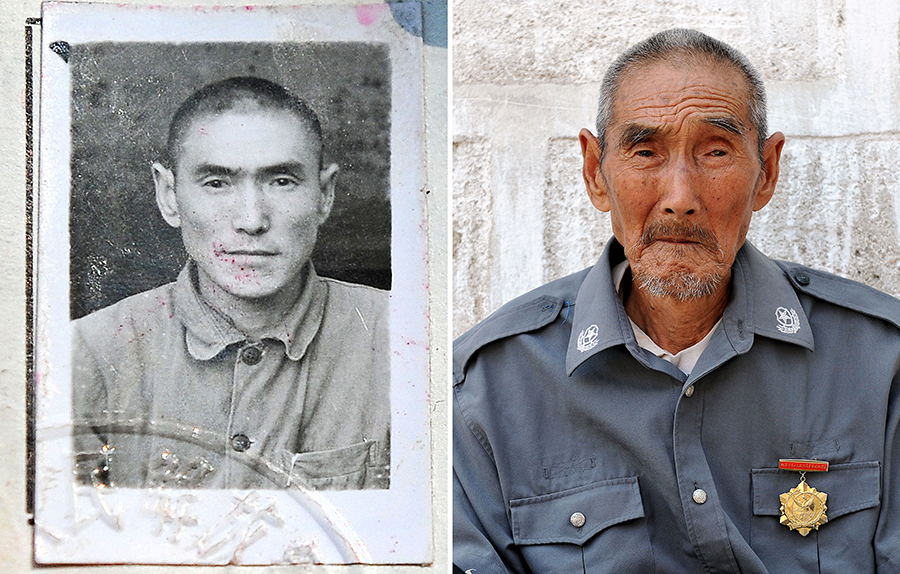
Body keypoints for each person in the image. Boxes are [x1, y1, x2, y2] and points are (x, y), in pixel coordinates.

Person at [453, 29, 900, 573]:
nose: (680, 199)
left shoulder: (881, 365)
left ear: (767, 171)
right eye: (645, 151)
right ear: (596, 172)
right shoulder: (488, 389)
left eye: (715, 151)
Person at [72, 76, 390, 490]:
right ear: (169, 195)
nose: (251, 220)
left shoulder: (402, 338)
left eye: (282, 181)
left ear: (324, 195)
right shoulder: (87, 352)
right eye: (217, 183)